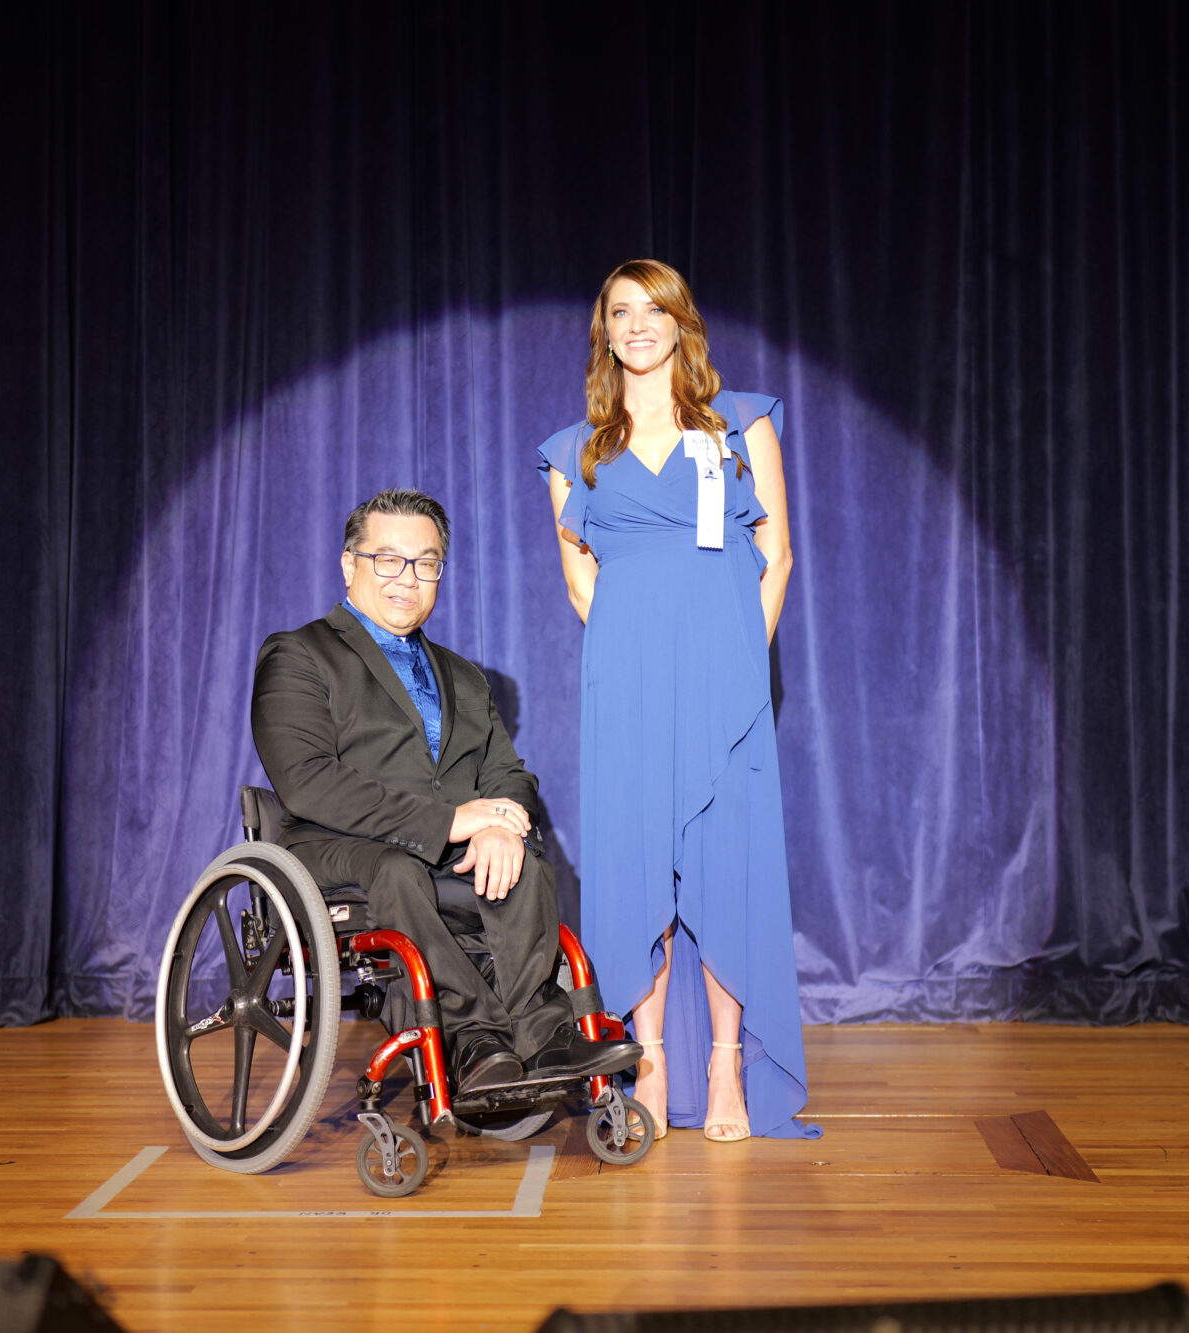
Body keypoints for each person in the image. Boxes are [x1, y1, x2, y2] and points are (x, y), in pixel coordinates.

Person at [536, 259, 816, 1142]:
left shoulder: (741, 421)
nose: (638, 324)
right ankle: (647, 1060)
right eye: (622, 312)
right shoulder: (576, 447)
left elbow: (778, 557)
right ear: (605, 331)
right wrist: (630, 656)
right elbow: (581, 583)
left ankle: (725, 1066)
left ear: (681, 322)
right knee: (633, 867)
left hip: (725, 680)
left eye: (654, 309)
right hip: (627, 684)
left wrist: (741, 660)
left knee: (727, 863)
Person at [251, 487, 642, 1092]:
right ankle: (469, 1038)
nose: (407, 578)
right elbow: (307, 782)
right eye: (388, 559)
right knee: (398, 871)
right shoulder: (299, 655)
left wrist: (502, 824)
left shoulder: (463, 675)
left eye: (426, 563)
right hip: (334, 849)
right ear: (349, 564)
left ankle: (543, 1037)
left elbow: (509, 773)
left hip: (441, 854)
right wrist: (452, 824)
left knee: (528, 866)